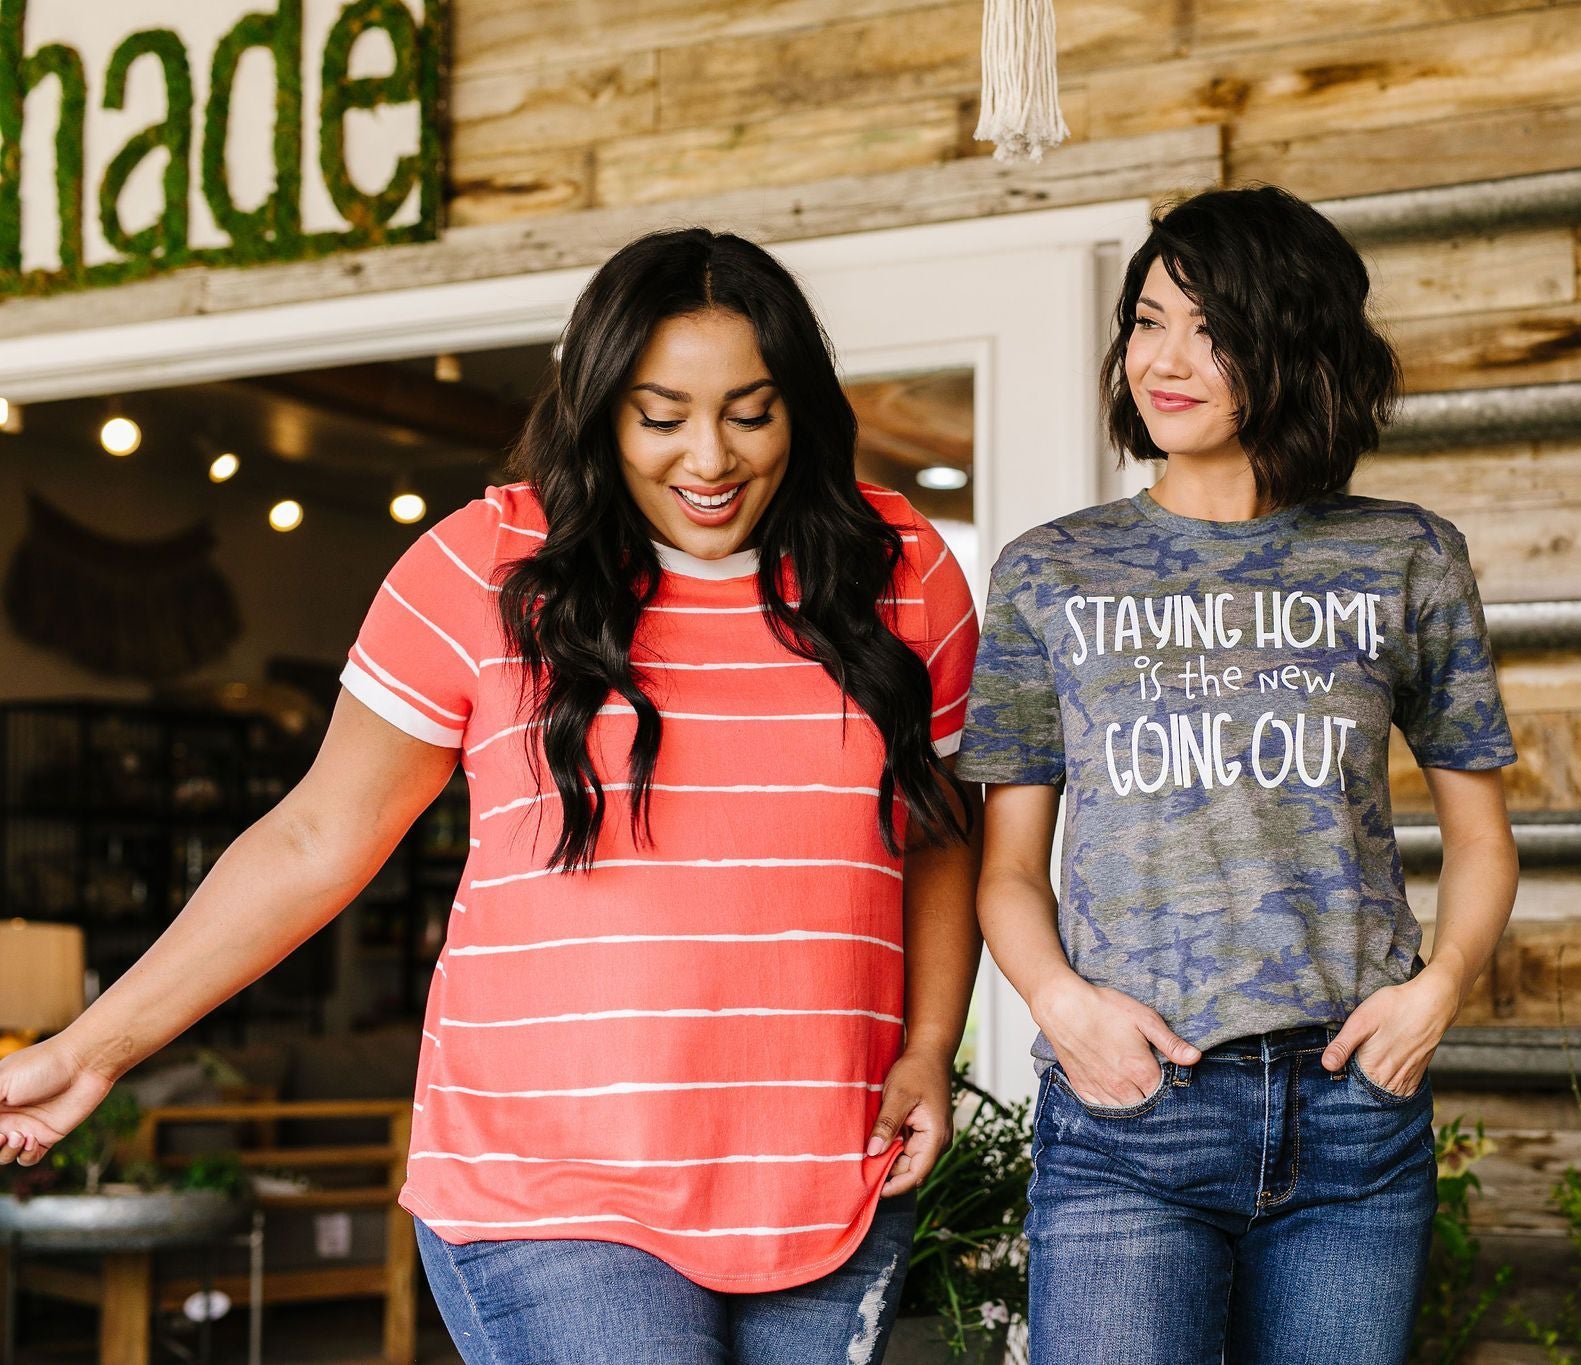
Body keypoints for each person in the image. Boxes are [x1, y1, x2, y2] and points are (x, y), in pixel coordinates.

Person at [0, 228, 982, 1364]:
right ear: (599, 406)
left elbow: (935, 830)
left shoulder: (899, 570)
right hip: (548, 1179)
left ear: (800, 406)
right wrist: (91, 1052)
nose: (708, 458)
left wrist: (929, 1043)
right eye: (660, 417)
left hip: (822, 1164)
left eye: (749, 412)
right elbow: (319, 835)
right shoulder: (483, 563)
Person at [958, 186, 1520, 1364]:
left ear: (1294, 345)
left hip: (1350, 1110)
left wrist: (1440, 988)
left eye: (1210, 330)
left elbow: (1477, 834)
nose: (1166, 361)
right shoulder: (1050, 572)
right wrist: (1061, 1006)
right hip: (1131, 1113)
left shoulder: (1402, 556)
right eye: (1148, 321)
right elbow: (1007, 867)